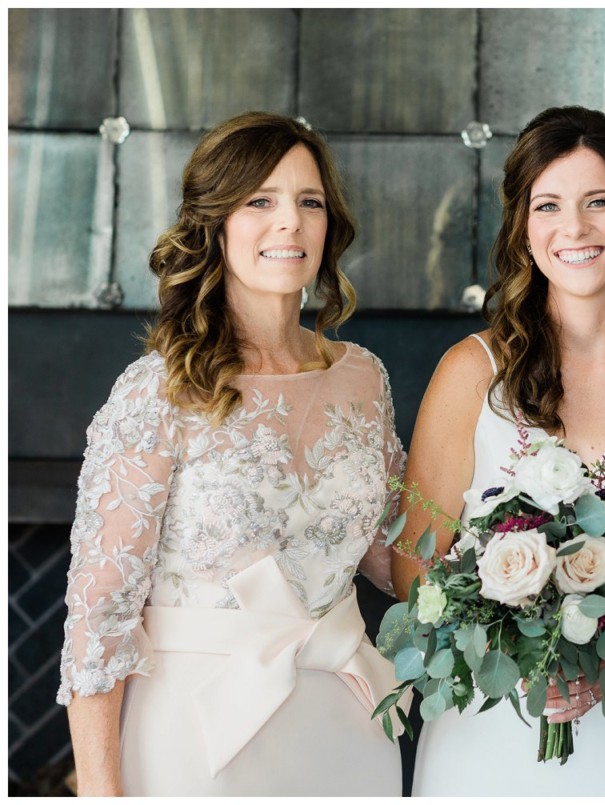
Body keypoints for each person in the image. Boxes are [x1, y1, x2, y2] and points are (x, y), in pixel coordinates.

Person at [57, 112, 407, 796]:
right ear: (216, 223)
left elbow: (397, 557)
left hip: (349, 729)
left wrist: (528, 566)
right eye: (260, 201)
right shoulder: (157, 390)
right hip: (201, 730)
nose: (291, 223)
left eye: (310, 202)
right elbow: (97, 623)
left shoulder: (363, 377)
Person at [393, 105, 605, 796]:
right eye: (548, 205)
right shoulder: (471, 373)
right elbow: (415, 570)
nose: (574, 228)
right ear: (525, 228)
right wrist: (515, 639)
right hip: (489, 724)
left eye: (598, 202)